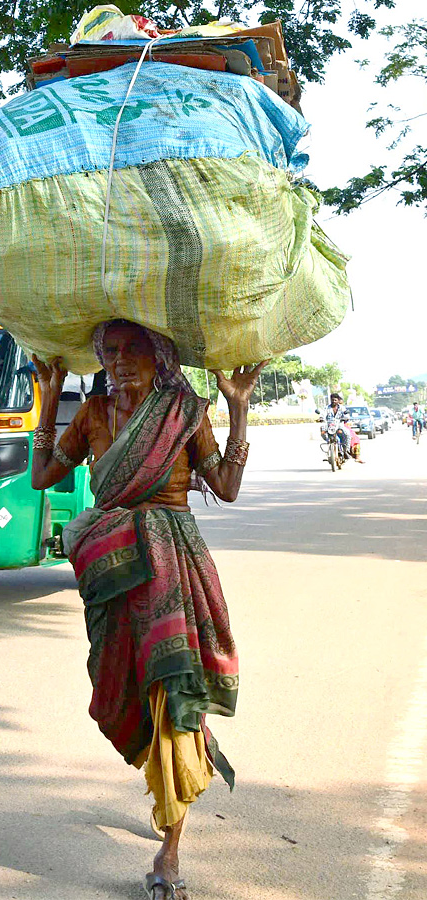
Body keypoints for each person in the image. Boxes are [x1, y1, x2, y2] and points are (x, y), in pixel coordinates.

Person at [31, 320, 267, 900]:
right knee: (126, 693)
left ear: (159, 355)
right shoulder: (90, 416)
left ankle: (170, 849)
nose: (120, 360)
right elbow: (42, 476)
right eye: (110, 351)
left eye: (133, 349)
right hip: (114, 578)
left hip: (172, 572)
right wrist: (45, 406)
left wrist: (237, 411)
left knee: (173, 696)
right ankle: (165, 792)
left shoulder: (183, 412)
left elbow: (227, 486)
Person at [322, 392, 352, 458]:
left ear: (338, 401)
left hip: (339, 425)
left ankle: (346, 451)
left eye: (335, 400)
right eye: (332, 400)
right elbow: (323, 414)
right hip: (329, 425)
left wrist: (345, 417)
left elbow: (346, 415)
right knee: (322, 431)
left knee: (348, 434)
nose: (333, 401)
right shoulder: (326, 408)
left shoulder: (342, 408)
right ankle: (329, 442)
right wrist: (321, 418)